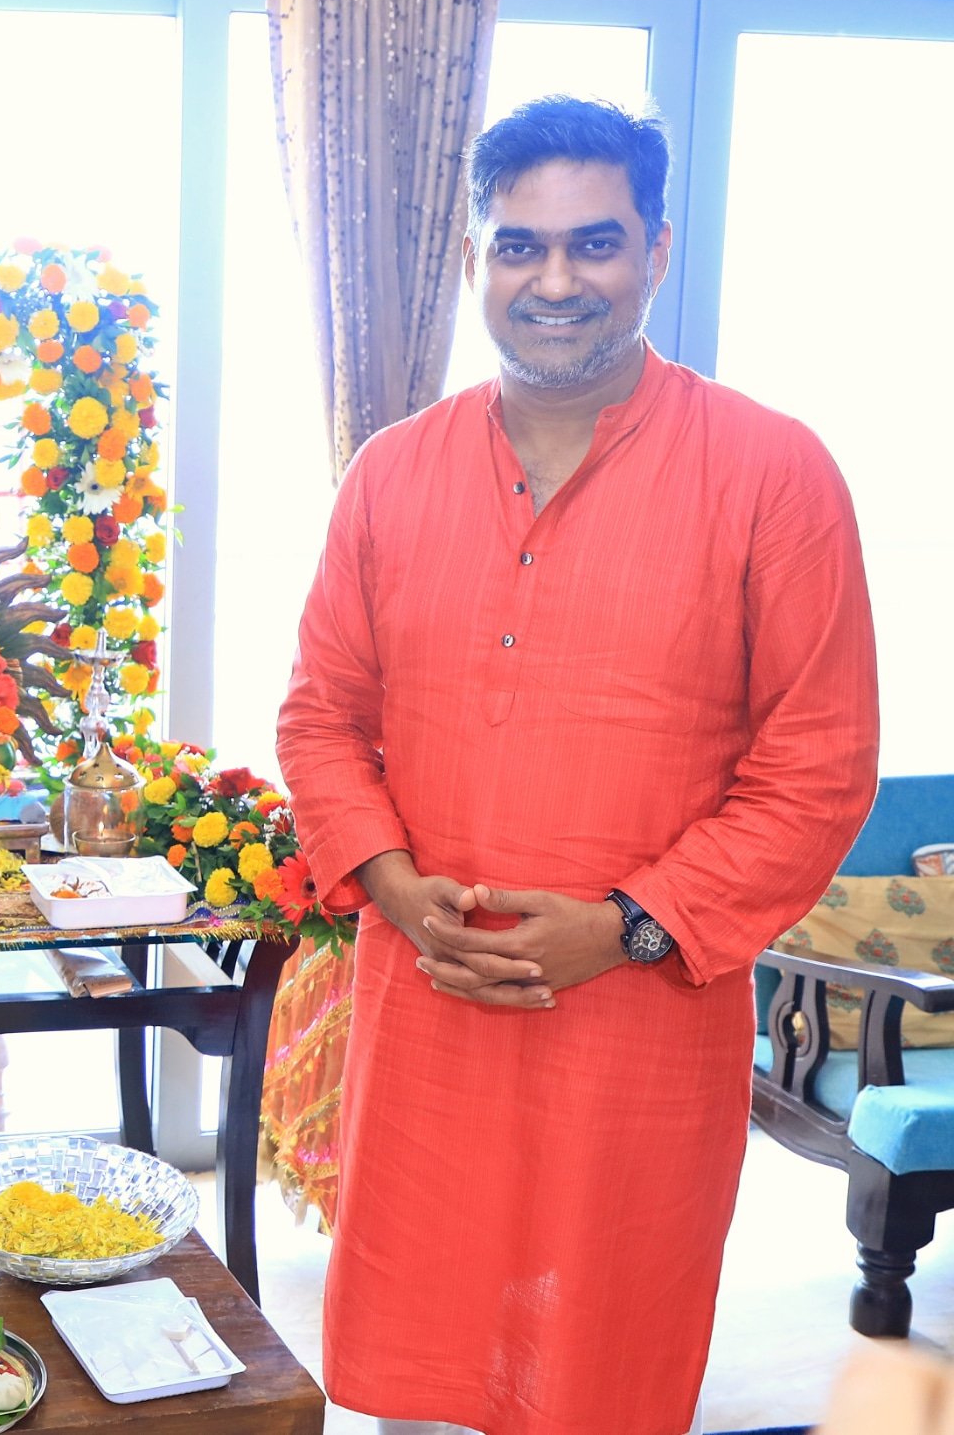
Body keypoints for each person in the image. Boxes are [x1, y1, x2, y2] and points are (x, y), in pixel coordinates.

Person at [277, 95, 879, 1435]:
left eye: (593, 244)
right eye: (519, 246)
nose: (556, 281)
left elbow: (820, 763)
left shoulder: (774, 475)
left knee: (599, 1372)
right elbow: (321, 714)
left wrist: (630, 925)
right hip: (429, 1009)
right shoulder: (388, 475)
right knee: (424, 1385)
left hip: (640, 1031)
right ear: (476, 262)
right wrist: (389, 882)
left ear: (657, 250)